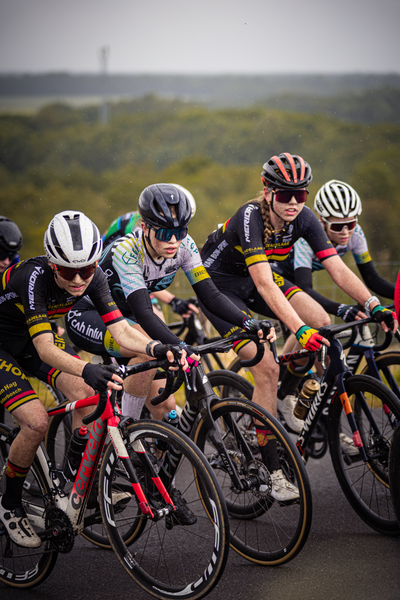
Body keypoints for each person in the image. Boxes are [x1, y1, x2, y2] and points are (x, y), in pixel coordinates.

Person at [66, 184, 302, 502]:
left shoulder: (184, 245)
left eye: (180, 231)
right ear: (146, 227)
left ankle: (153, 478)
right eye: (164, 232)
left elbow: (210, 295)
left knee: (165, 405)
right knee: (144, 347)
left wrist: (248, 323)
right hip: (91, 316)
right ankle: (124, 436)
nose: (173, 240)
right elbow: (146, 314)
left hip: (128, 321)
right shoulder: (126, 250)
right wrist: (178, 345)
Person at [0, 210, 188, 548]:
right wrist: (88, 366)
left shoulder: (96, 276)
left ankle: (73, 481)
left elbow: (120, 331)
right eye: (67, 271)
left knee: (86, 392)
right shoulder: (33, 278)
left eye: (85, 269)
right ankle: (10, 504)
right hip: (6, 346)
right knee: (36, 423)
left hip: (26, 342)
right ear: (51, 263)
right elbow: (44, 348)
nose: (77, 280)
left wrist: (156, 348)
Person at [199, 152, 398, 433]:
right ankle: (270, 466)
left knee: (321, 321)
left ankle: (285, 395)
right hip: (218, 287)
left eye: (301, 195)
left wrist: (374, 304)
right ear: (268, 192)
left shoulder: (305, 219)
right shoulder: (251, 215)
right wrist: (299, 329)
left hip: (254, 279)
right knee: (267, 368)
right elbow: (265, 283)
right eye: (285, 195)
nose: (293, 202)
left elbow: (338, 270)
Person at [272, 179, 395, 325]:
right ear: (322, 222)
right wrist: (341, 308)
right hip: (277, 276)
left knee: (313, 327)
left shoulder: (356, 234)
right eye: (337, 227)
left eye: (351, 224)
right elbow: (304, 287)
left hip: (298, 282)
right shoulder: (306, 238)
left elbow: (372, 279)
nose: (345, 232)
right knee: (316, 322)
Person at [102, 184, 198, 319]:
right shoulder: (139, 230)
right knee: (156, 317)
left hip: (128, 273)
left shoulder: (150, 219)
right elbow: (144, 276)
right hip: (112, 278)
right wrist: (173, 300)